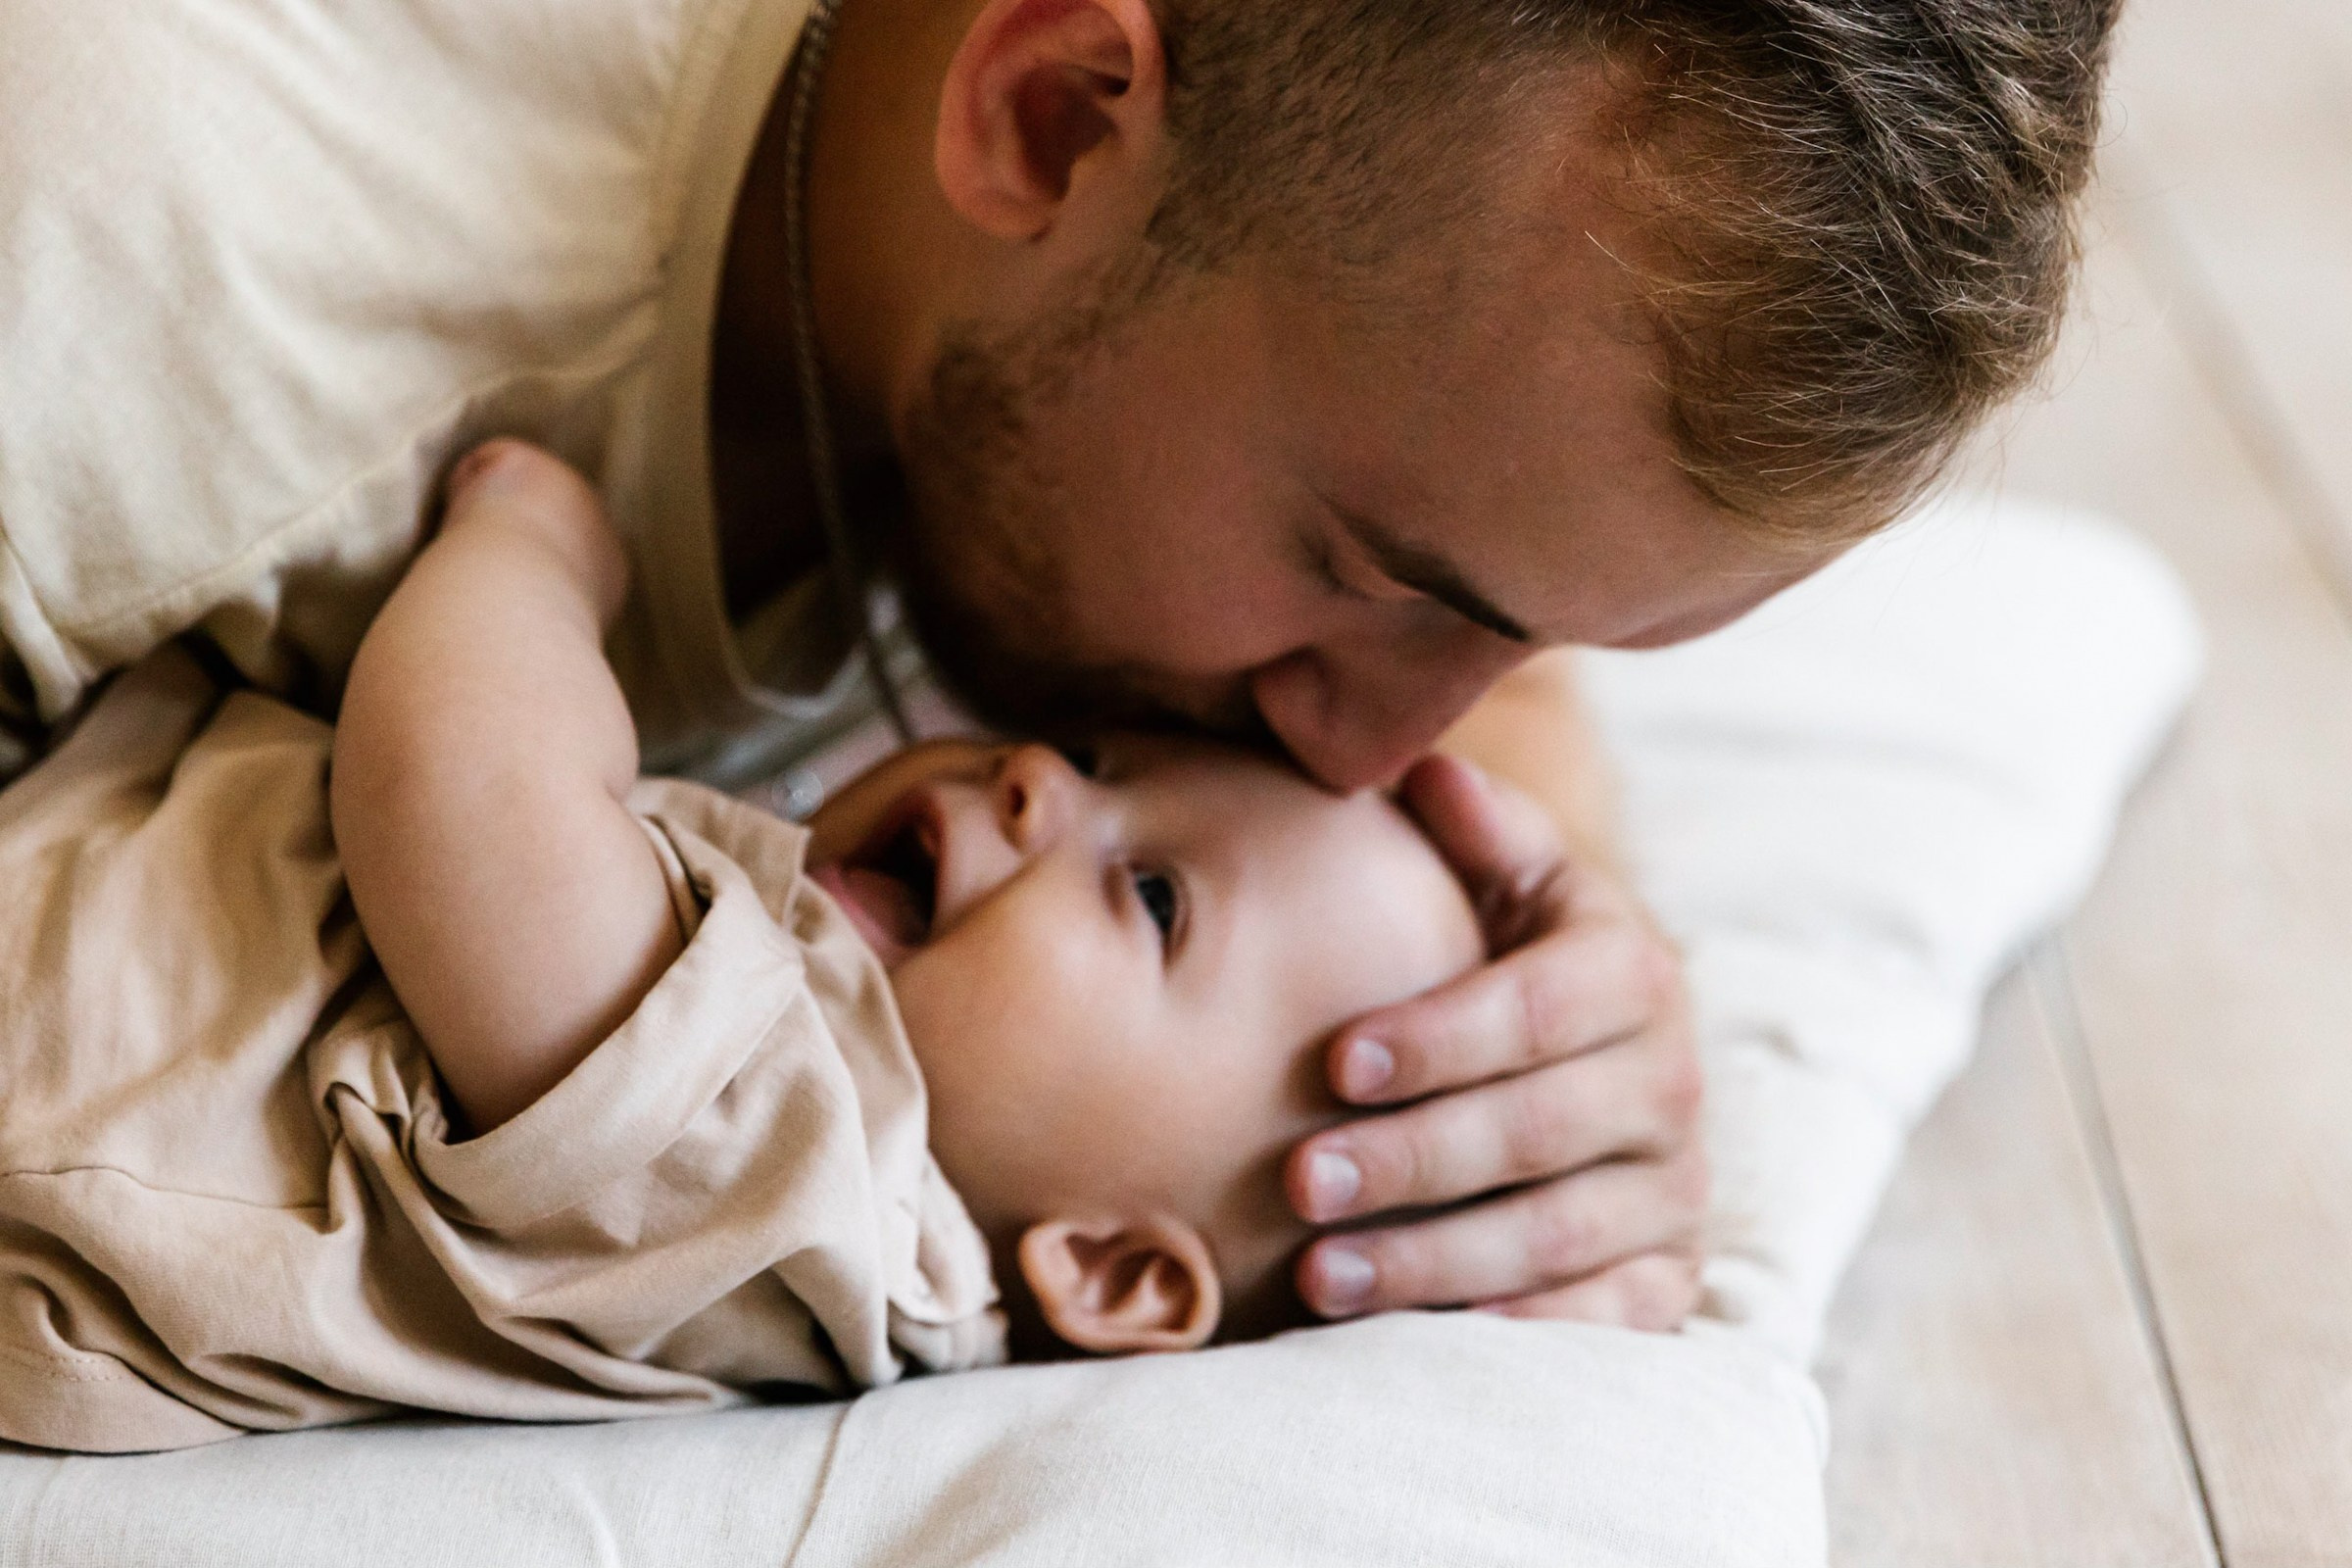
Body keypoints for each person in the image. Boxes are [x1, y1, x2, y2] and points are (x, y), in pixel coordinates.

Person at [0, 0, 2119, 1327]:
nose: (1372, 748)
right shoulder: (150, 296)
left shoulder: (1335, 301)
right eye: (1378, 578)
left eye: (1536, 639)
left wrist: (1521, 1021)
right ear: (1054, 110)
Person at [0, 442, 1486, 1451]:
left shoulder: (809, 1189)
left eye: (1154, 895)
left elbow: (464, 792)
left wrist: (537, 552)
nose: (1037, 777)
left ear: (1108, 1269)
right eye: (1095, 754)